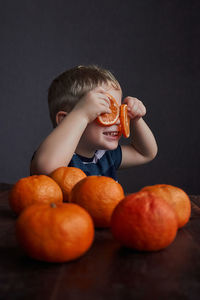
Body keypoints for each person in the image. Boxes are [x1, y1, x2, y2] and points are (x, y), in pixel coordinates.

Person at [30, 65, 158, 180]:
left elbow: (146, 153)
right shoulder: (59, 157)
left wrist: (136, 119)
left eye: (118, 112)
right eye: (104, 113)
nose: (117, 120)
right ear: (64, 120)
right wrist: (81, 115)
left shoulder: (106, 156)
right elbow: (45, 168)